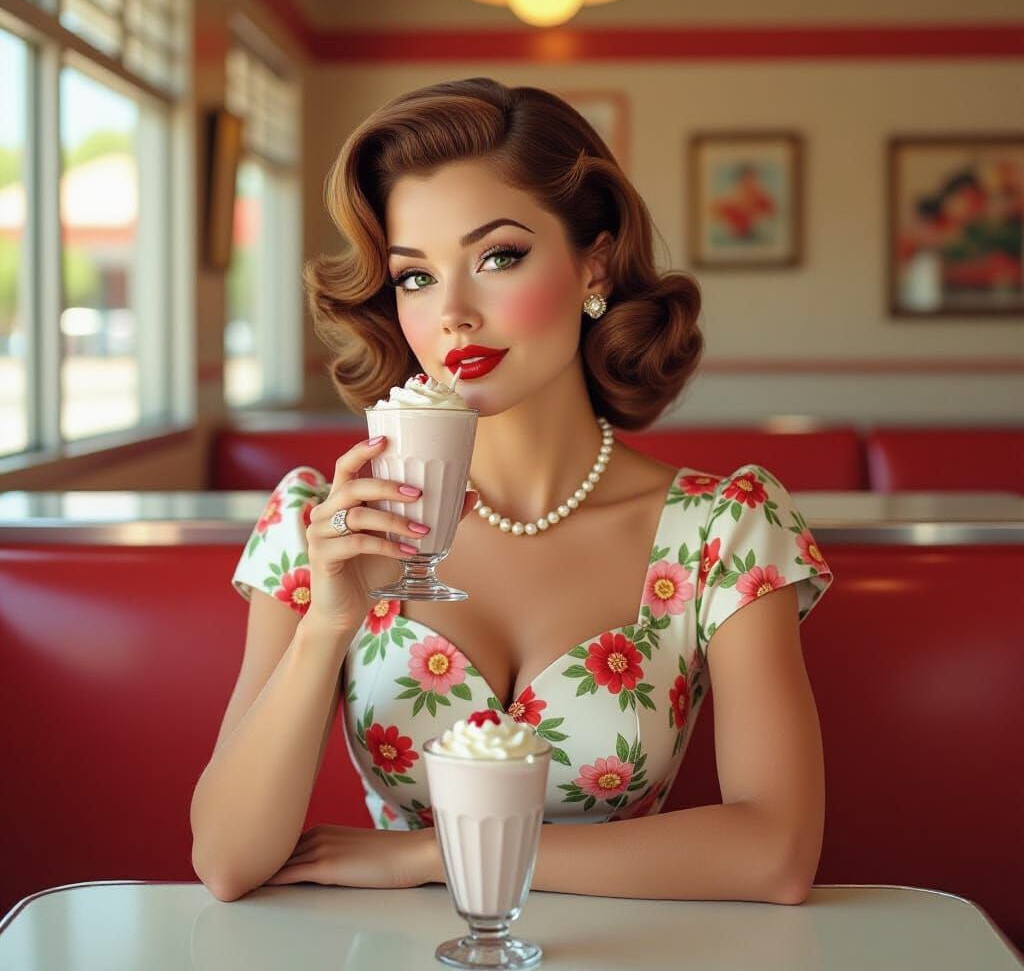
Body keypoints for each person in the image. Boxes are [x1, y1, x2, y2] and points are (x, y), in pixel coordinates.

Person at [190, 77, 835, 905]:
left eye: (498, 256)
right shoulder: (322, 522)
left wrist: (428, 854)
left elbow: (775, 853)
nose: (453, 312)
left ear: (593, 260)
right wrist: (330, 623)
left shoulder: (724, 530)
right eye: (415, 276)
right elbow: (226, 861)